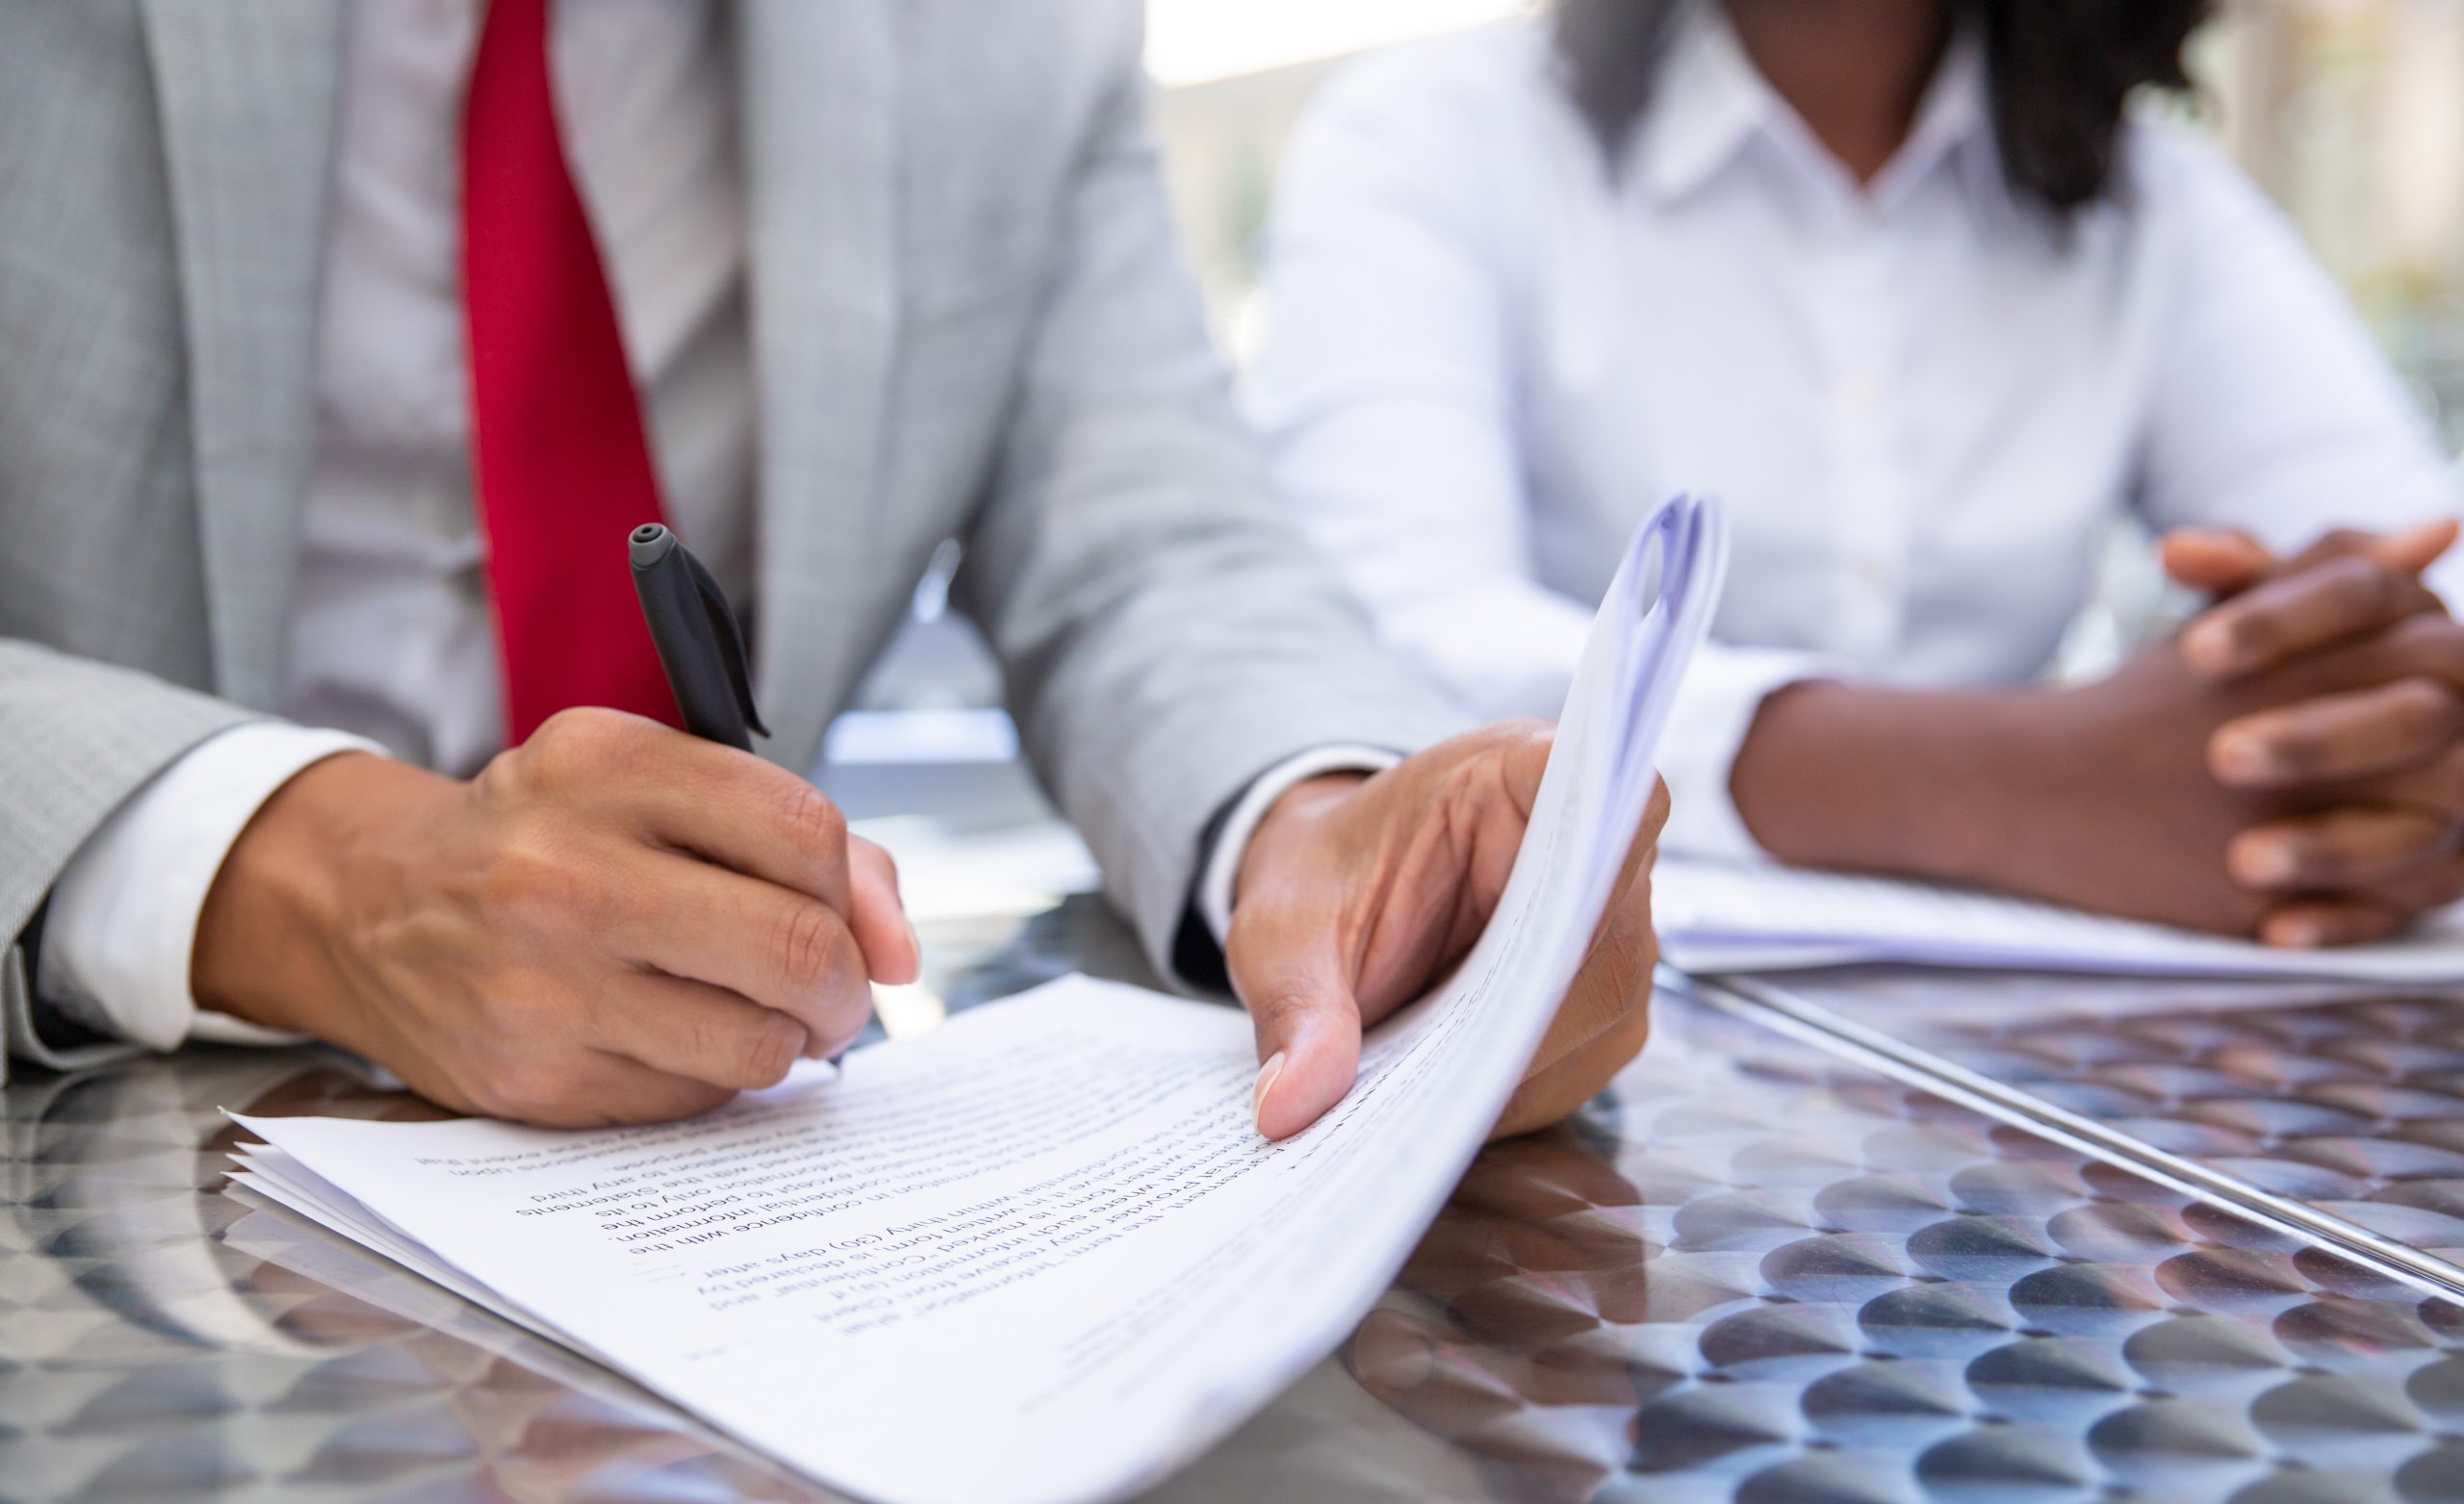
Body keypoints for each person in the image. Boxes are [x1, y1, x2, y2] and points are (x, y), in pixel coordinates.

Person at [0, 0, 1667, 1144]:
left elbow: (1150, 531)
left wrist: (1324, 818)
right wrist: (316, 871)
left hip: (727, 1191)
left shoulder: (1004, 39)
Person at [1254, 0, 2464, 948]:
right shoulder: (1434, 140)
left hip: (2032, 1097)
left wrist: (2364, 714)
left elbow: (2420, 566)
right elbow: (1369, 650)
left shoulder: (2153, 207)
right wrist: (2020, 789)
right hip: (1591, 1048)